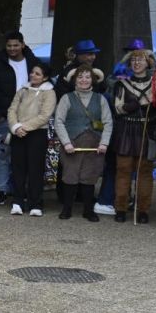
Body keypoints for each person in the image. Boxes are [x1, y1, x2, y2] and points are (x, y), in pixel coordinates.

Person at [0, 31, 42, 206]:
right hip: (4, 117)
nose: (12, 49)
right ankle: (2, 189)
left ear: (22, 44)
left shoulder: (33, 62)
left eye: (16, 45)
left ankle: (23, 191)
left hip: (30, 117)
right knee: (2, 154)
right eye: (9, 46)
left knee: (26, 156)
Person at [108, 40, 156, 224]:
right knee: (123, 171)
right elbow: (118, 109)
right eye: (134, 60)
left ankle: (143, 210)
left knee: (145, 172)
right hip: (126, 130)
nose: (137, 63)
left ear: (147, 63)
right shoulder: (122, 84)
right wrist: (133, 105)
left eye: (140, 60)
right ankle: (121, 208)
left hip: (146, 129)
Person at [54, 67, 111, 221]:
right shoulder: (66, 98)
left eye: (87, 77)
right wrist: (66, 143)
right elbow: (59, 121)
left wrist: (104, 143)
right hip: (72, 143)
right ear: (75, 80)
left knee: (89, 176)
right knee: (70, 175)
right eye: (80, 77)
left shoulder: (100, 99)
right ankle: (67, 208)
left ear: (93, 80)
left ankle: (88, 210)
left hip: (94, 144)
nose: (84, 80)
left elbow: (108, 122)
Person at [7, 62, 56, 217]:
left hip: (37, 134)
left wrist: (24, 127)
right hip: (18, 133)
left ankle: (35, 203)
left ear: (45, 77)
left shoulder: (49, 93)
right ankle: (17, 201)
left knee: (36, 169)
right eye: (32, 72)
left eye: (37, 74)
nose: (33, 75)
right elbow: (12, 109)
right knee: (18, 169)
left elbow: (45, 115)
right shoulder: (23, 90)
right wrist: (15, 127)